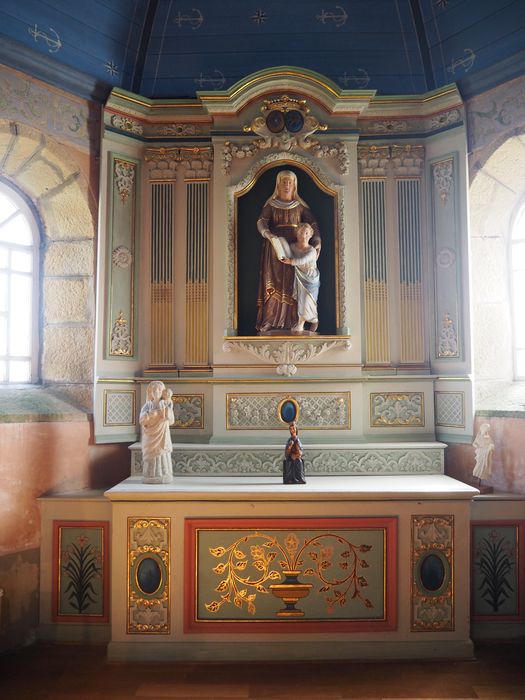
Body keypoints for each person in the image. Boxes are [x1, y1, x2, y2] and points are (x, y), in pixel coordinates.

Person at [256, 170, 321, 333]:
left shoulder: (299, 206)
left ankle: (294, 320)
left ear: (294, 185)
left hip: (296, 247)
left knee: (295, 285)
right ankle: (271, 319)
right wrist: (268, 234)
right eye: (284, 182)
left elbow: (313, 224)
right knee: (275, 283)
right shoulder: (271, 205)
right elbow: (261, 222)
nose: (287, 185)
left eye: (290, 182)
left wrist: (317, 241)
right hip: (277, 248)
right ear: (278, 185)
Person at [281, 222, 320, 333]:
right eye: (302, 232)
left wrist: (290, 261)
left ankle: (302, 325)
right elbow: (286, 251)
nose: (304, 235)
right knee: (301, 301)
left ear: (310, 235)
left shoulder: (311, 251)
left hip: (310, 278)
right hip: (298, 276)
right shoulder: (293, 247)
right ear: (297, 234)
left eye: (307, 233)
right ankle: (312, 320)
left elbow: (302, 261)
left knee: (308, 300)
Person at [139, 380, 175, 484]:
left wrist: (167, 412)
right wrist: (149, 416)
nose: (157, 392)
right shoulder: (147, 405)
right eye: (154, 390)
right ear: (150, 392)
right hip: (150, 435)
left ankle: (163, 474)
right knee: (151, 454)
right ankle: (150, 475)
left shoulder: (165, 404)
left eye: (159, 390)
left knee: (162, 453)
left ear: (163, 392)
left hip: (162, 434)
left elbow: (171, 420)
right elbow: (141, 420)